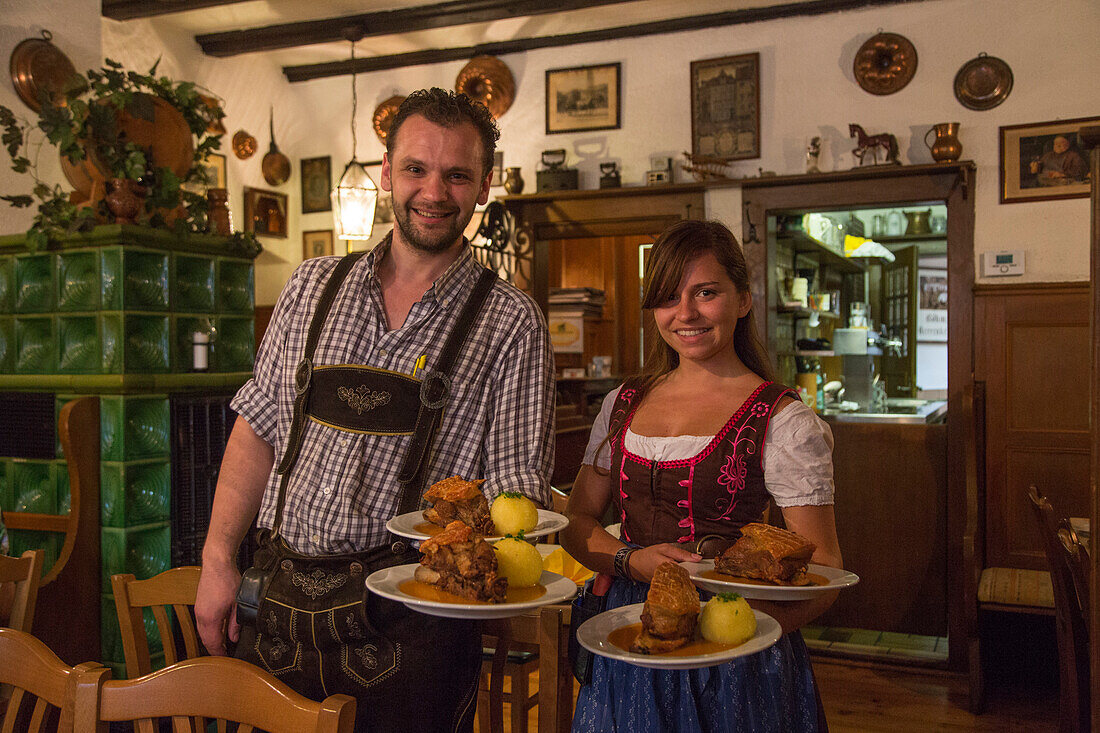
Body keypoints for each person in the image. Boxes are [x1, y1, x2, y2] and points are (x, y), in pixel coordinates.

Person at [195, 88, 556, 731]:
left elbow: (514, 494)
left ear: (483, 186)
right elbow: (258, 431)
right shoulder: (310, 287)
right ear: (386, 173)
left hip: (417, 619)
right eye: (416, 169)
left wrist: (492, 574)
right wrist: (218, 558)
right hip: (277, 602)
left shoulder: (510, 321)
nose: (434, 192)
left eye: (457, 175)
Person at [561, 219, 842, 732]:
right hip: (629, 634)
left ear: (743, 299)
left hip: (734, 655)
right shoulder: (621, 404)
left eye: (706, 293)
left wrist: (730, 631)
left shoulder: (782, 420)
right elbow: (576, 519)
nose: (685, 313)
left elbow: (824, 574)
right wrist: (629, 559)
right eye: (668, 297)